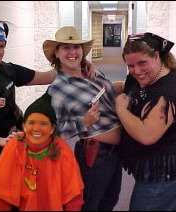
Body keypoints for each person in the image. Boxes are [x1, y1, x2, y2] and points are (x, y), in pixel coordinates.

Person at [0, 20, 94, 211]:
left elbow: (48, 76)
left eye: (2, 46)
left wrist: (81, 64)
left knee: (19, 192)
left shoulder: (8, 71)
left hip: (13, 133)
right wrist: (1, 141)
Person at [115, 32, 176, 211]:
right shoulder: (143, 79)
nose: (136, 71)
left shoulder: (169, 93)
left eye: (142, 63)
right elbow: (127, 87)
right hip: (154, 166)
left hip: (164, 171)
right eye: (130, 66)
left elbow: (147, 135)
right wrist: (99, 83)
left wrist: (120, 109)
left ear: (157, 56)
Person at [43, 26, 122, 211]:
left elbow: (109, 92)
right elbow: (56, 131)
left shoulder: (94, 72)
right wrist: (83, 122)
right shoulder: (57, 89)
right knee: (88, 205)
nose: (72, 52)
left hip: (116, 152)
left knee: (109, 201)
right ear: (57, 52)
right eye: (65, 47)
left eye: (76, 47)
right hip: (95, 155)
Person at [0, 93, 84, 211]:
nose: (36, 128)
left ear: (52, 129)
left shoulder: (62, 150)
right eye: (31, 123)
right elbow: (1, 193)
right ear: (24, 126)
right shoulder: (15, 146)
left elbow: (73, 196)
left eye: (43, 123)